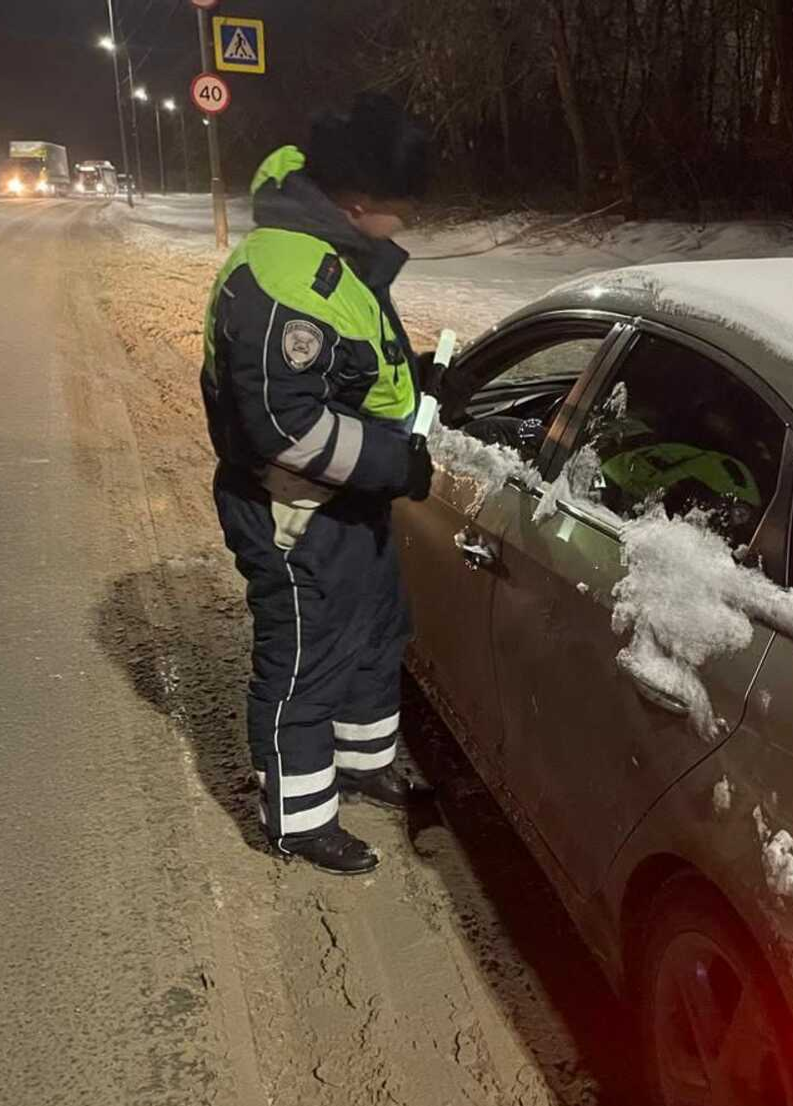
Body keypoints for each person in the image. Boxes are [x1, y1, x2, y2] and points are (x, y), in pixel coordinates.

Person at [200, 92, 453, 875]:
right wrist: (395, 463)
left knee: (375, 636)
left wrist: (415, 386)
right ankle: (300, 818)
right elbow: (285, 426)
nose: (406, 223)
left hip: (346, 504)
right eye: (400, 210)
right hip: (293, 510)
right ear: (357, 202)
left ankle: (364, 765)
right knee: (307, 660)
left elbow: (355, 363)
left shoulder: (335, 252)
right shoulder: (284, 280)